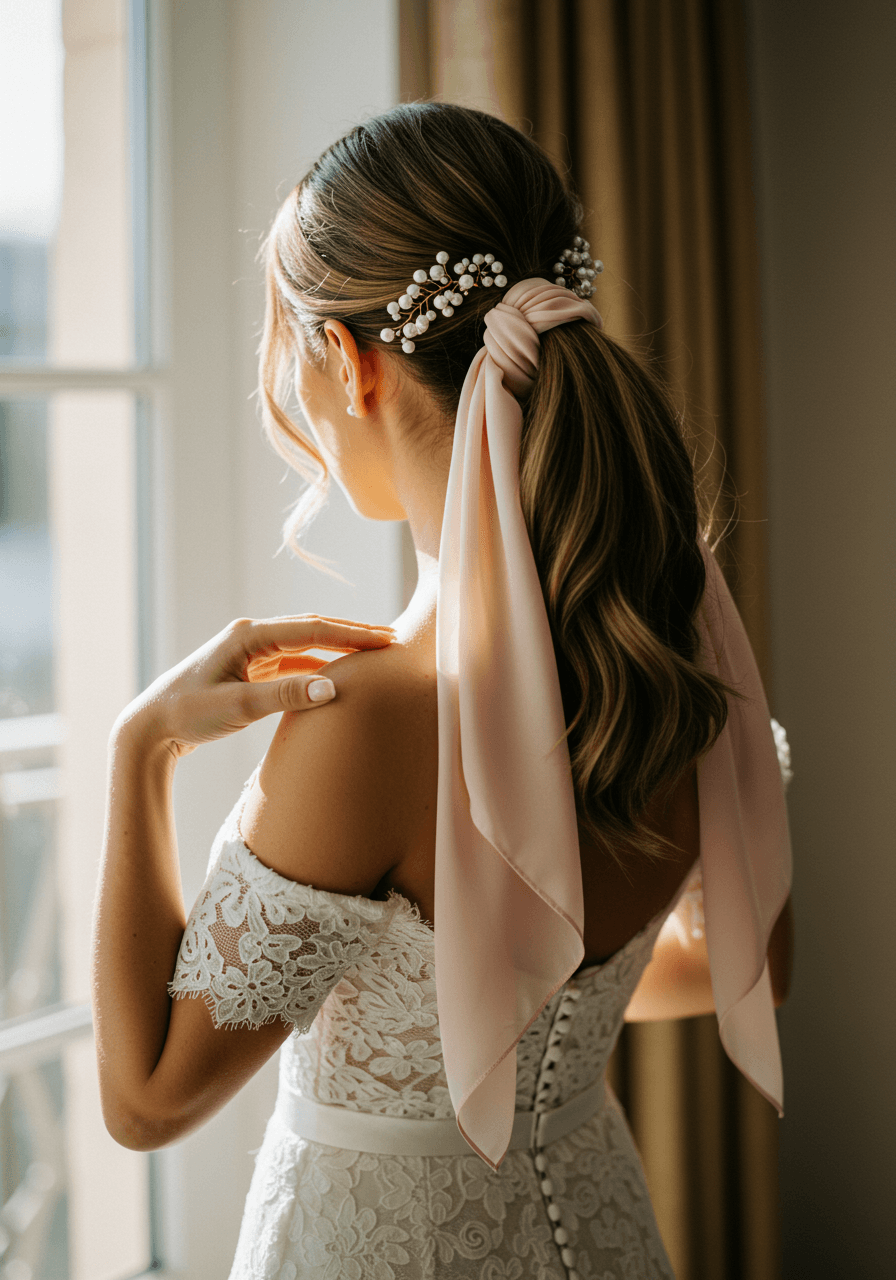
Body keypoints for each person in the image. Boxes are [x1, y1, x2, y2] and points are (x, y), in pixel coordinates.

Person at [91, 102, 793, 1279]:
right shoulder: (671, 655)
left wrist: (138, 747)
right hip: (605, 1235)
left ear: (349, 361)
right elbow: (748, 962)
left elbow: (147, 1098)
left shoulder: (368, 721)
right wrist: (548, 1015)